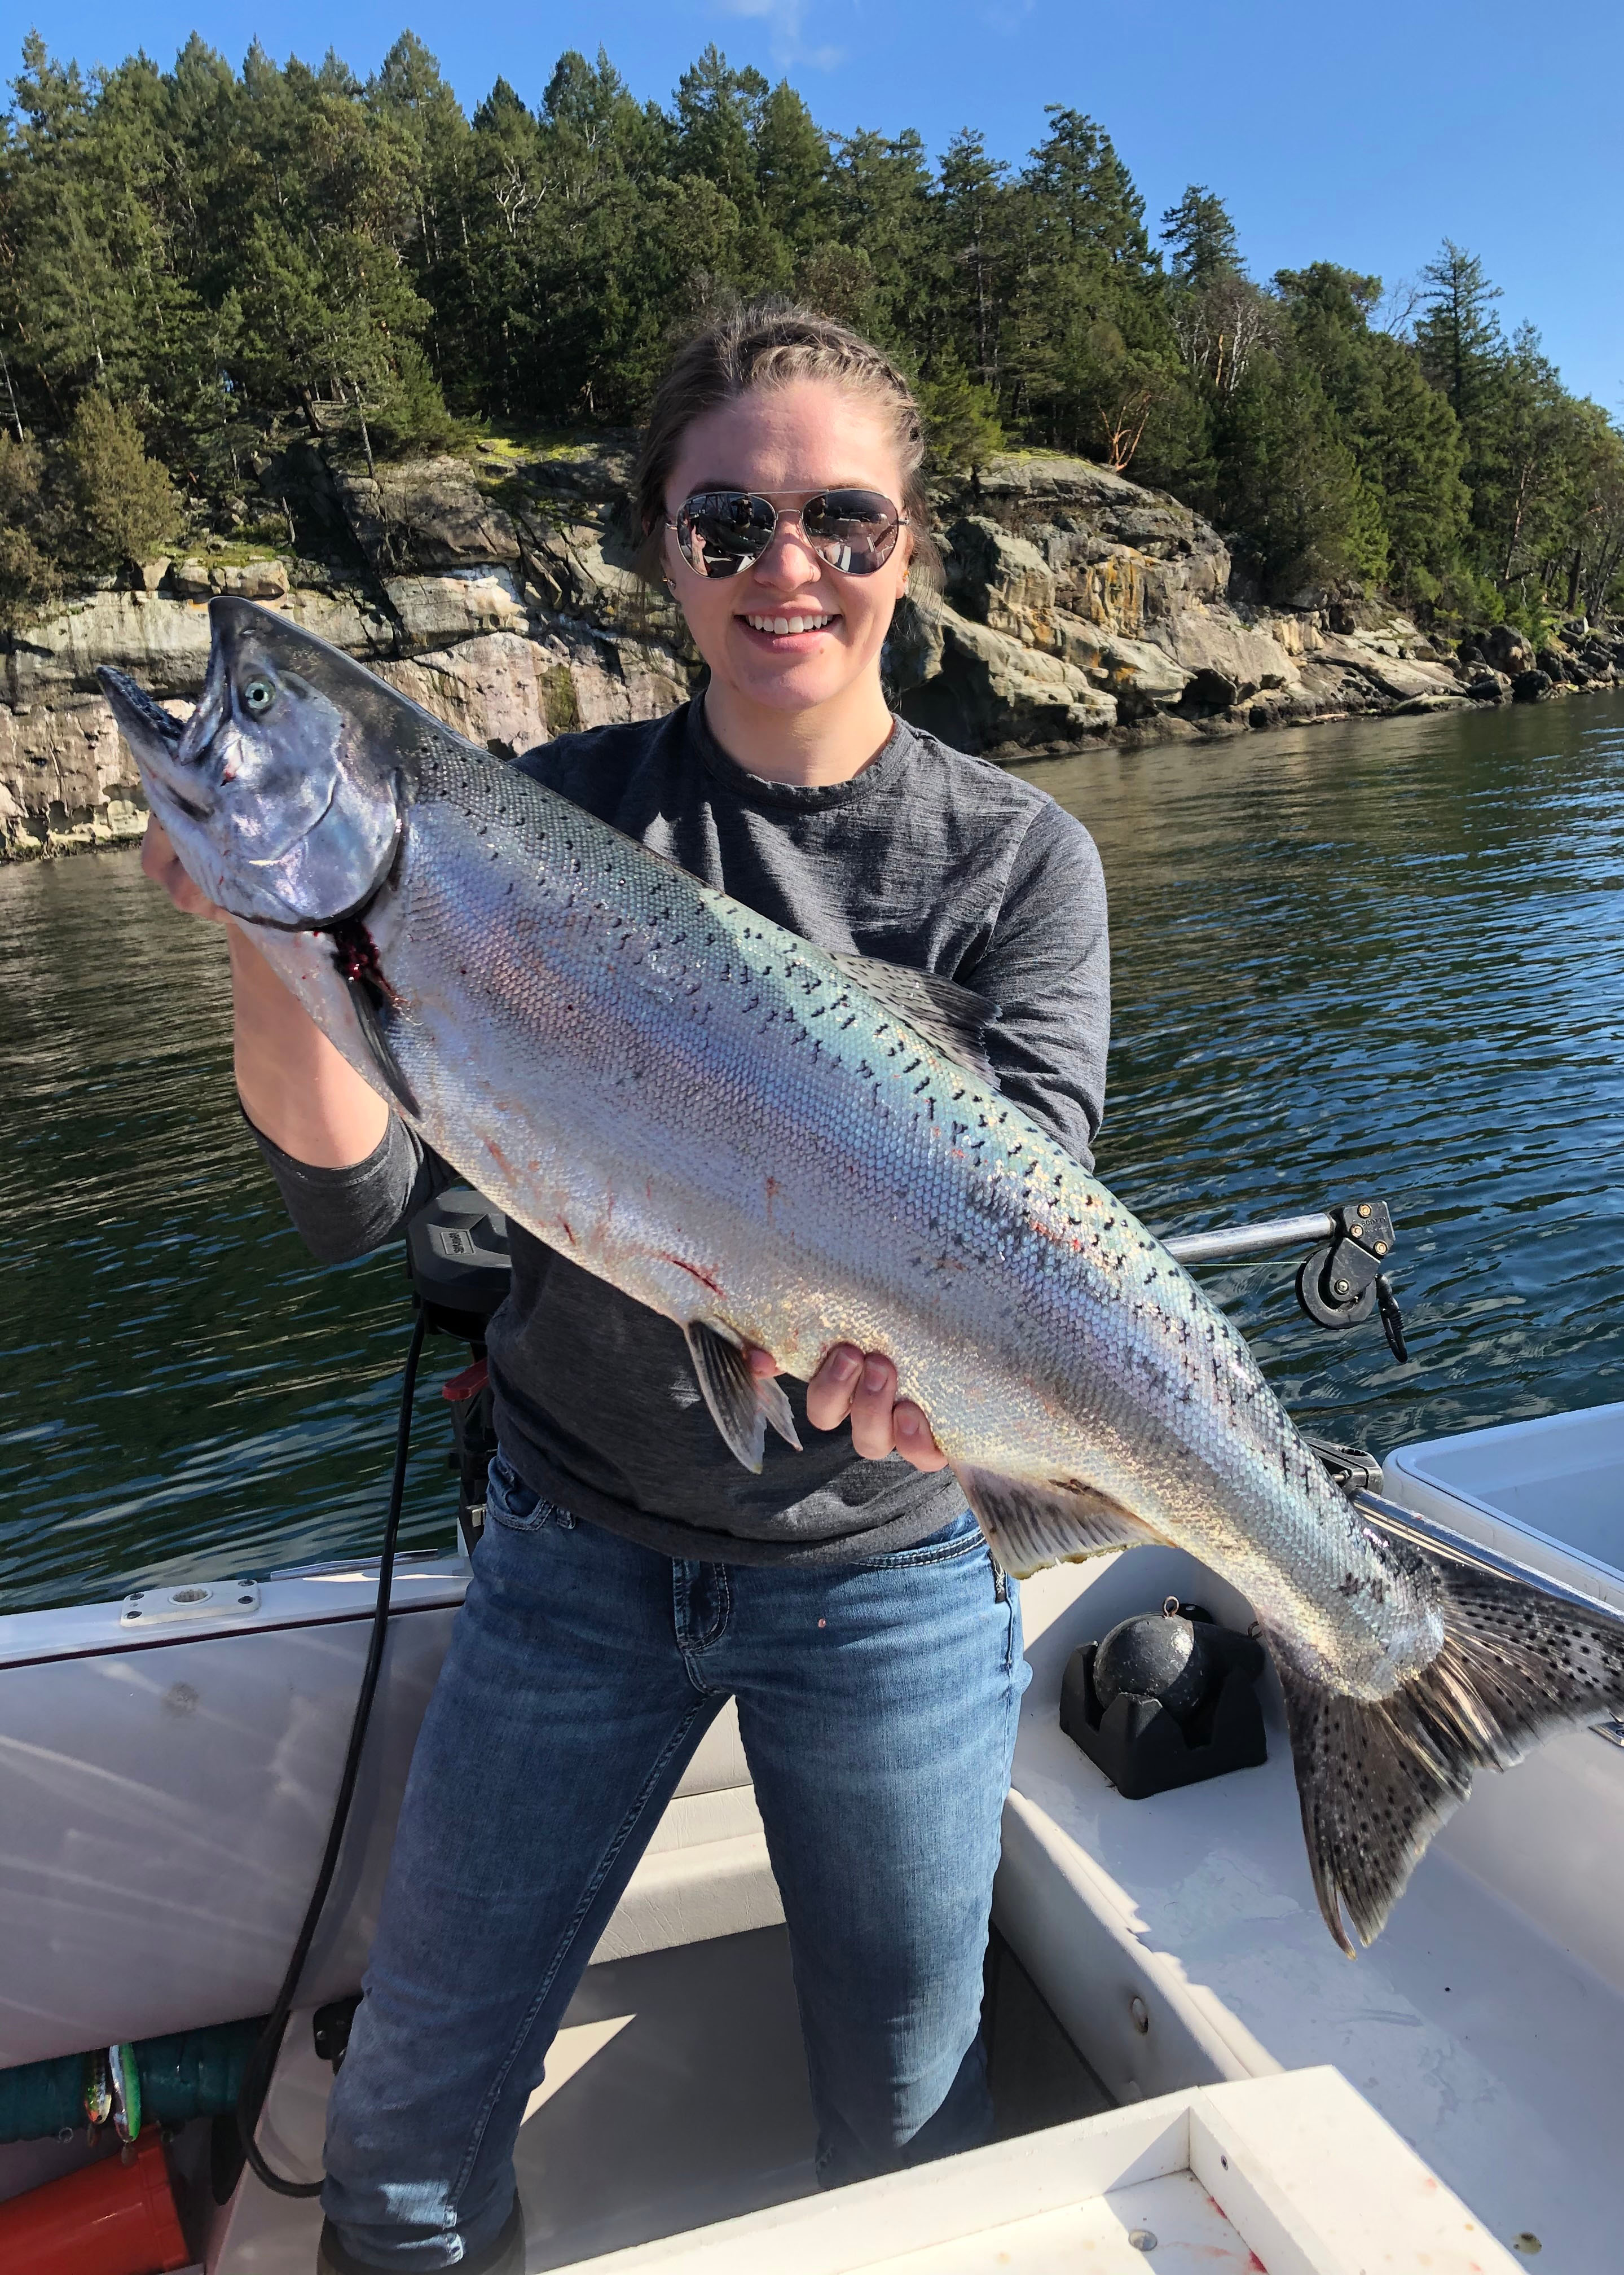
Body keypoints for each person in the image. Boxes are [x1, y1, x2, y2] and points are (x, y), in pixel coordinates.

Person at [144, 301, 1110, 2274]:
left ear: (909, 544)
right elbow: (350, 1199)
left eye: (841, 519)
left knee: (912, 2139)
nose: (790, 570)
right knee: (404, 2147)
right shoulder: (542, 821)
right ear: (664, 553)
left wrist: (938, 1380)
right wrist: (271, 935)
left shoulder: (1020, 860)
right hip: (570, 1559)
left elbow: (1044, 1233)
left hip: (890, 1577)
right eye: (729, 523)